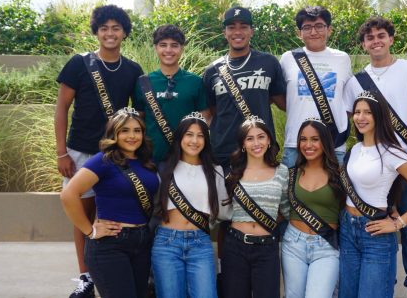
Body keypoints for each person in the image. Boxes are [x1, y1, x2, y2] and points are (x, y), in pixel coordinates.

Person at [54, 4, 144, 298]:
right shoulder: (79, 64)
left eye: (116, 28)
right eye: (104, 28)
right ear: (96, 31)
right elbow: (61, 108)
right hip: (79, 151)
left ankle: (111, 269)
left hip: (115, 154)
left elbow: (136, 114)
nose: (109, 33)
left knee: (112, 212)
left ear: (124, 33)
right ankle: (85, 277)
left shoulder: (132, 70)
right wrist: (61, 153)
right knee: (84, 214)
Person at [344, 16, 407, 298]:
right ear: (364, 45)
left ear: (391, 39)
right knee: (377, 219)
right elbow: (355, 121)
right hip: (374, 165)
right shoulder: (355, 82)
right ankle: (384, 279)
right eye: (369, 37)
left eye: (381, 35)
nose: (376, 41)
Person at [339, 91, 407, 298]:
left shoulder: (393, 153)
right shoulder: (354, 150)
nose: (360, 117)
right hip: (348, 231)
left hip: (375, 235)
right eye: (357, 112)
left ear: (379, 116)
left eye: (367, 112)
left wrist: (398, 223)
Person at [60, 107, 160, 298]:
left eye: (137, 131)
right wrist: (90, 231)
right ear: (114, 133)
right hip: (111, 245)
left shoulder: (146, 161)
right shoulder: (103, 161)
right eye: (125, 130)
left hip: (141, 242)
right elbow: (68, 195)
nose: (132, 136)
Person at [151, 112, 231, 298]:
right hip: (166, 243)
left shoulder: (215, 170)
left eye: (200, 135)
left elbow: (225, 211)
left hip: (200, 243)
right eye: (189, 134)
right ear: (180, 137)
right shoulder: (163, 169)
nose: (194, 140)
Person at [202, 6, 286, 170]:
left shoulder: (269, 63)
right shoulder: (212, 70)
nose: (237, 32)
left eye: (243, 27)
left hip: (260, 150)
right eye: (231, 27)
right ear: (224, 33)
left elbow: (282, 102)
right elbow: (211, 113)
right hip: (224, 155)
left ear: (252, 31)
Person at [221, 117, 289, 298]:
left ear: (269, 140)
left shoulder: (282, 171)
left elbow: (286, 210)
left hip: (267, 249)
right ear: (243, 143)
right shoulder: (232, 173)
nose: (256, 143)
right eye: (249, 138)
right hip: (235, 246)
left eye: (261, 137)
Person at [280, 6, 352, 167]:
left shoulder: (343, 59)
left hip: (334, 142)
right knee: (292, 192)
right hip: (296, 143)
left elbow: (348, 99)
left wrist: (338, 118)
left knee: (336, 192)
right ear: (299, 33)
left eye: (319, 26)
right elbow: (280, 96)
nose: (314, 32)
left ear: (329, 29)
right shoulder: (288, 58)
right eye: (307, 27)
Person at [282, 119, 344, 298]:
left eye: (315, 139)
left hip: (325, 246)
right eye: (303, 139)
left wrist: (392, 211)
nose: (308, 145)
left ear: (325, 142)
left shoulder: (340, 175)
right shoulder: (290, 173)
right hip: (293, 244)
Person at [134, 25, 210, 164]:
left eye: (174, 45)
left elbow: (205, 120)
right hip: (151, 160)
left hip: (186, 159)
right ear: (156, 48)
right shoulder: (143, 82)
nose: (168, 50)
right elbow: (138, 121)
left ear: (182, 49)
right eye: (163, 45)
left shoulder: (196, 82)